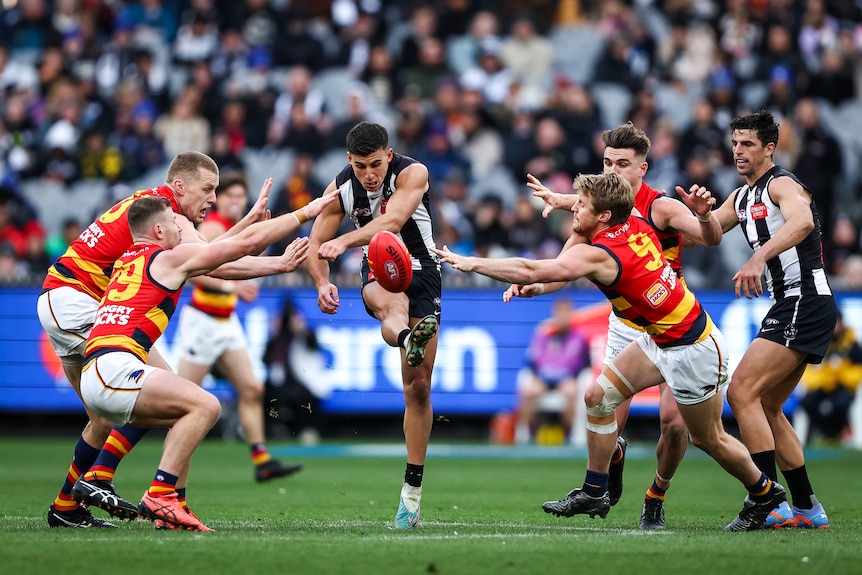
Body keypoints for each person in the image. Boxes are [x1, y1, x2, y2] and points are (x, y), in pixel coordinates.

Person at [434, 171, 786, 532]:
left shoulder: (602, 255)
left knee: (708, 438)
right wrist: (562, 200)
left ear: (603, 215)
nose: (576, 210)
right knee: (597, 397)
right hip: (661, 337)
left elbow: (532, 268)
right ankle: (594, 490)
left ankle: (764, 494)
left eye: (582, 205)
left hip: (692, 349)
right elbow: (584, 223)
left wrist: (472, 263)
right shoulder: (631, 219)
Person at [36, 151, 325, 528]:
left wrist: (248, 232)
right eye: (207, 189)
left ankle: (67, 504)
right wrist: (299, 220)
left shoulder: (152, 209)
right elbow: (211, 260)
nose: (213, 199)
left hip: (64, 298)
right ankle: (142, 489)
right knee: (174, 396)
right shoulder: (166, 213)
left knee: (107, 417)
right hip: (76, 300)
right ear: (178, 188)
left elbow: (205, 255)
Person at [519, 122, 723, 529]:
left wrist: (705, 217)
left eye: (623, 164)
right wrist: (534, 284)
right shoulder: (598, 205)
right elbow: (562, 267)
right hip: (628, 323)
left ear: (643, 169)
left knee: (674, 424)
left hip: (672, 320)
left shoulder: (661, 207)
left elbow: (707, 236)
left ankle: (655, 497)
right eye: (608, 162)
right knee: (604, 409)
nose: (613, 171)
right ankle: (599, 481)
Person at [306, 121, 441, 530]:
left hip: (424, 269)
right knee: (389, 307)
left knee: (418, 387)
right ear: (350, 160)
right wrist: (322, 282)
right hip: (380, 268)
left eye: (376, 164)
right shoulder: (342, 187)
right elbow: (315, 242)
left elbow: (395, 221)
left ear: (390, 153)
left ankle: (411, 493)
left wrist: (345, 242)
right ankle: (405, 337)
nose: (370, 174)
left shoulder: (413, 173)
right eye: (361, 166)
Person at [711, 110, 838, 529]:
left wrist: (758, 257)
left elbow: (802, 220)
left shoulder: (781, 183)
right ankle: (806, 507)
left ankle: (765, 501)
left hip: (804, 300)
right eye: (735, 144)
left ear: (770, 148)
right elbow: (707, 233)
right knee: (765, 405)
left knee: (742, 390)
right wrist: (696, 212)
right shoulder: (742, 196)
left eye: (747, 144)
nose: (738, 152)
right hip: (793, 303)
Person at [175, 171, 302, 482]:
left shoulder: (233, 226)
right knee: (182, 405)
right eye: (229, 196)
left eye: (239, 196)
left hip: (224, 321)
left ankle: (261, 460)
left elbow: (239, 257)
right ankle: (168, 480)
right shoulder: (214, 225)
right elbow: (192, 271)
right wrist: (232, 289)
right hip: (203, 322)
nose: (235, 201)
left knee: (252, 388)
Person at [516, 297, 591, 445]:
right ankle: (528, 434)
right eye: (559, 312)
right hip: (544, 377)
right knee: (529, 391)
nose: (562, 316)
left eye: (566, 312)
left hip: (567, 378)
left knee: (570, 391)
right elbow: (533, 362)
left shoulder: (579, 338)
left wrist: (570, 375)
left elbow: (585, 365)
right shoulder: (543, 336)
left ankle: (569, 434)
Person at [262, 298, 330, 445]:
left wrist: (301, 329)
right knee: (265, 394)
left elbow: (313, 346)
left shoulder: (305, 335)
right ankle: (272, 429)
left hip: (302, 383)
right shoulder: (278, 338)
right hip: (280, 384)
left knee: (302, 397)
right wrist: (275, 334)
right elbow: (266, 360)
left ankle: (308, 430)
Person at [798, 311, 862, 444]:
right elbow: (811, 368)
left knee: (840, 404)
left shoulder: (852, 344)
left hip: (844, 384)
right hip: (823, 383)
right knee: (807, 402)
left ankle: (836, 433)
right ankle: (828, 433)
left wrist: (841, 373)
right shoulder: (822, 341)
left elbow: (858, 369)